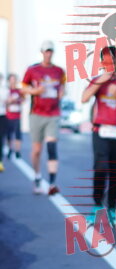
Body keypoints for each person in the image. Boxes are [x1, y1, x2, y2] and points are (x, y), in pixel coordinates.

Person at [81, 45, 116, 227]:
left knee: (115, 171)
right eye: (105, 61)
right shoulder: (96, 81)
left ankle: (112, 208)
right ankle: (97, 205)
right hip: (100, 131)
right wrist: (100, 81)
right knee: (100, 168)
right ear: (101, 63)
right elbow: (84, 98)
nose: (109, 65)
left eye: (112, 61)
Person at [21, 41, 66, 195]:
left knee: (52, 146)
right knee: (37, 150)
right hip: (36, 114)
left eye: (51, 51)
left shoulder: (59, 71)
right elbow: (23, 88)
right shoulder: (32, 70)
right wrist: (35, 91)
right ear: (42, 52)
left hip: (53, 114)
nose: (48, 54)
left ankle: (52, 184)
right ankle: (37, 176)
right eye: (46, 51)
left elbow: (63, 85)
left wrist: (62, 92)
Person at [6, 73, 24, 159]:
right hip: (8, 115)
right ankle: (10, 149)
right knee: (9, 134)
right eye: (11, 79)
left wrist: (18, 99)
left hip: (17, 115)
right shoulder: (6, 91)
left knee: (18, 134)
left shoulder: (19, 91)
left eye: (14, 79)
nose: (13, 81)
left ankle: (17, 151)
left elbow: (23, 99)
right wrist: (10, 100)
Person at [0, 74, 8, 172]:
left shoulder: (5, 90)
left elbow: (8, 101)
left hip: (2, 116)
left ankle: (0, 161)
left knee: (1, 139)